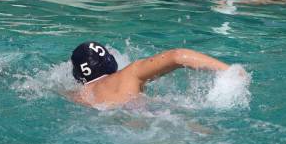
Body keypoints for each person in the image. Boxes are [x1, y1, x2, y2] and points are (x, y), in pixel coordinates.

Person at [69, 41, 246, 108]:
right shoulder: (129, 73)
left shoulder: (80, 96)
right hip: (155, 127)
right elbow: (177, 56)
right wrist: (231, 72)